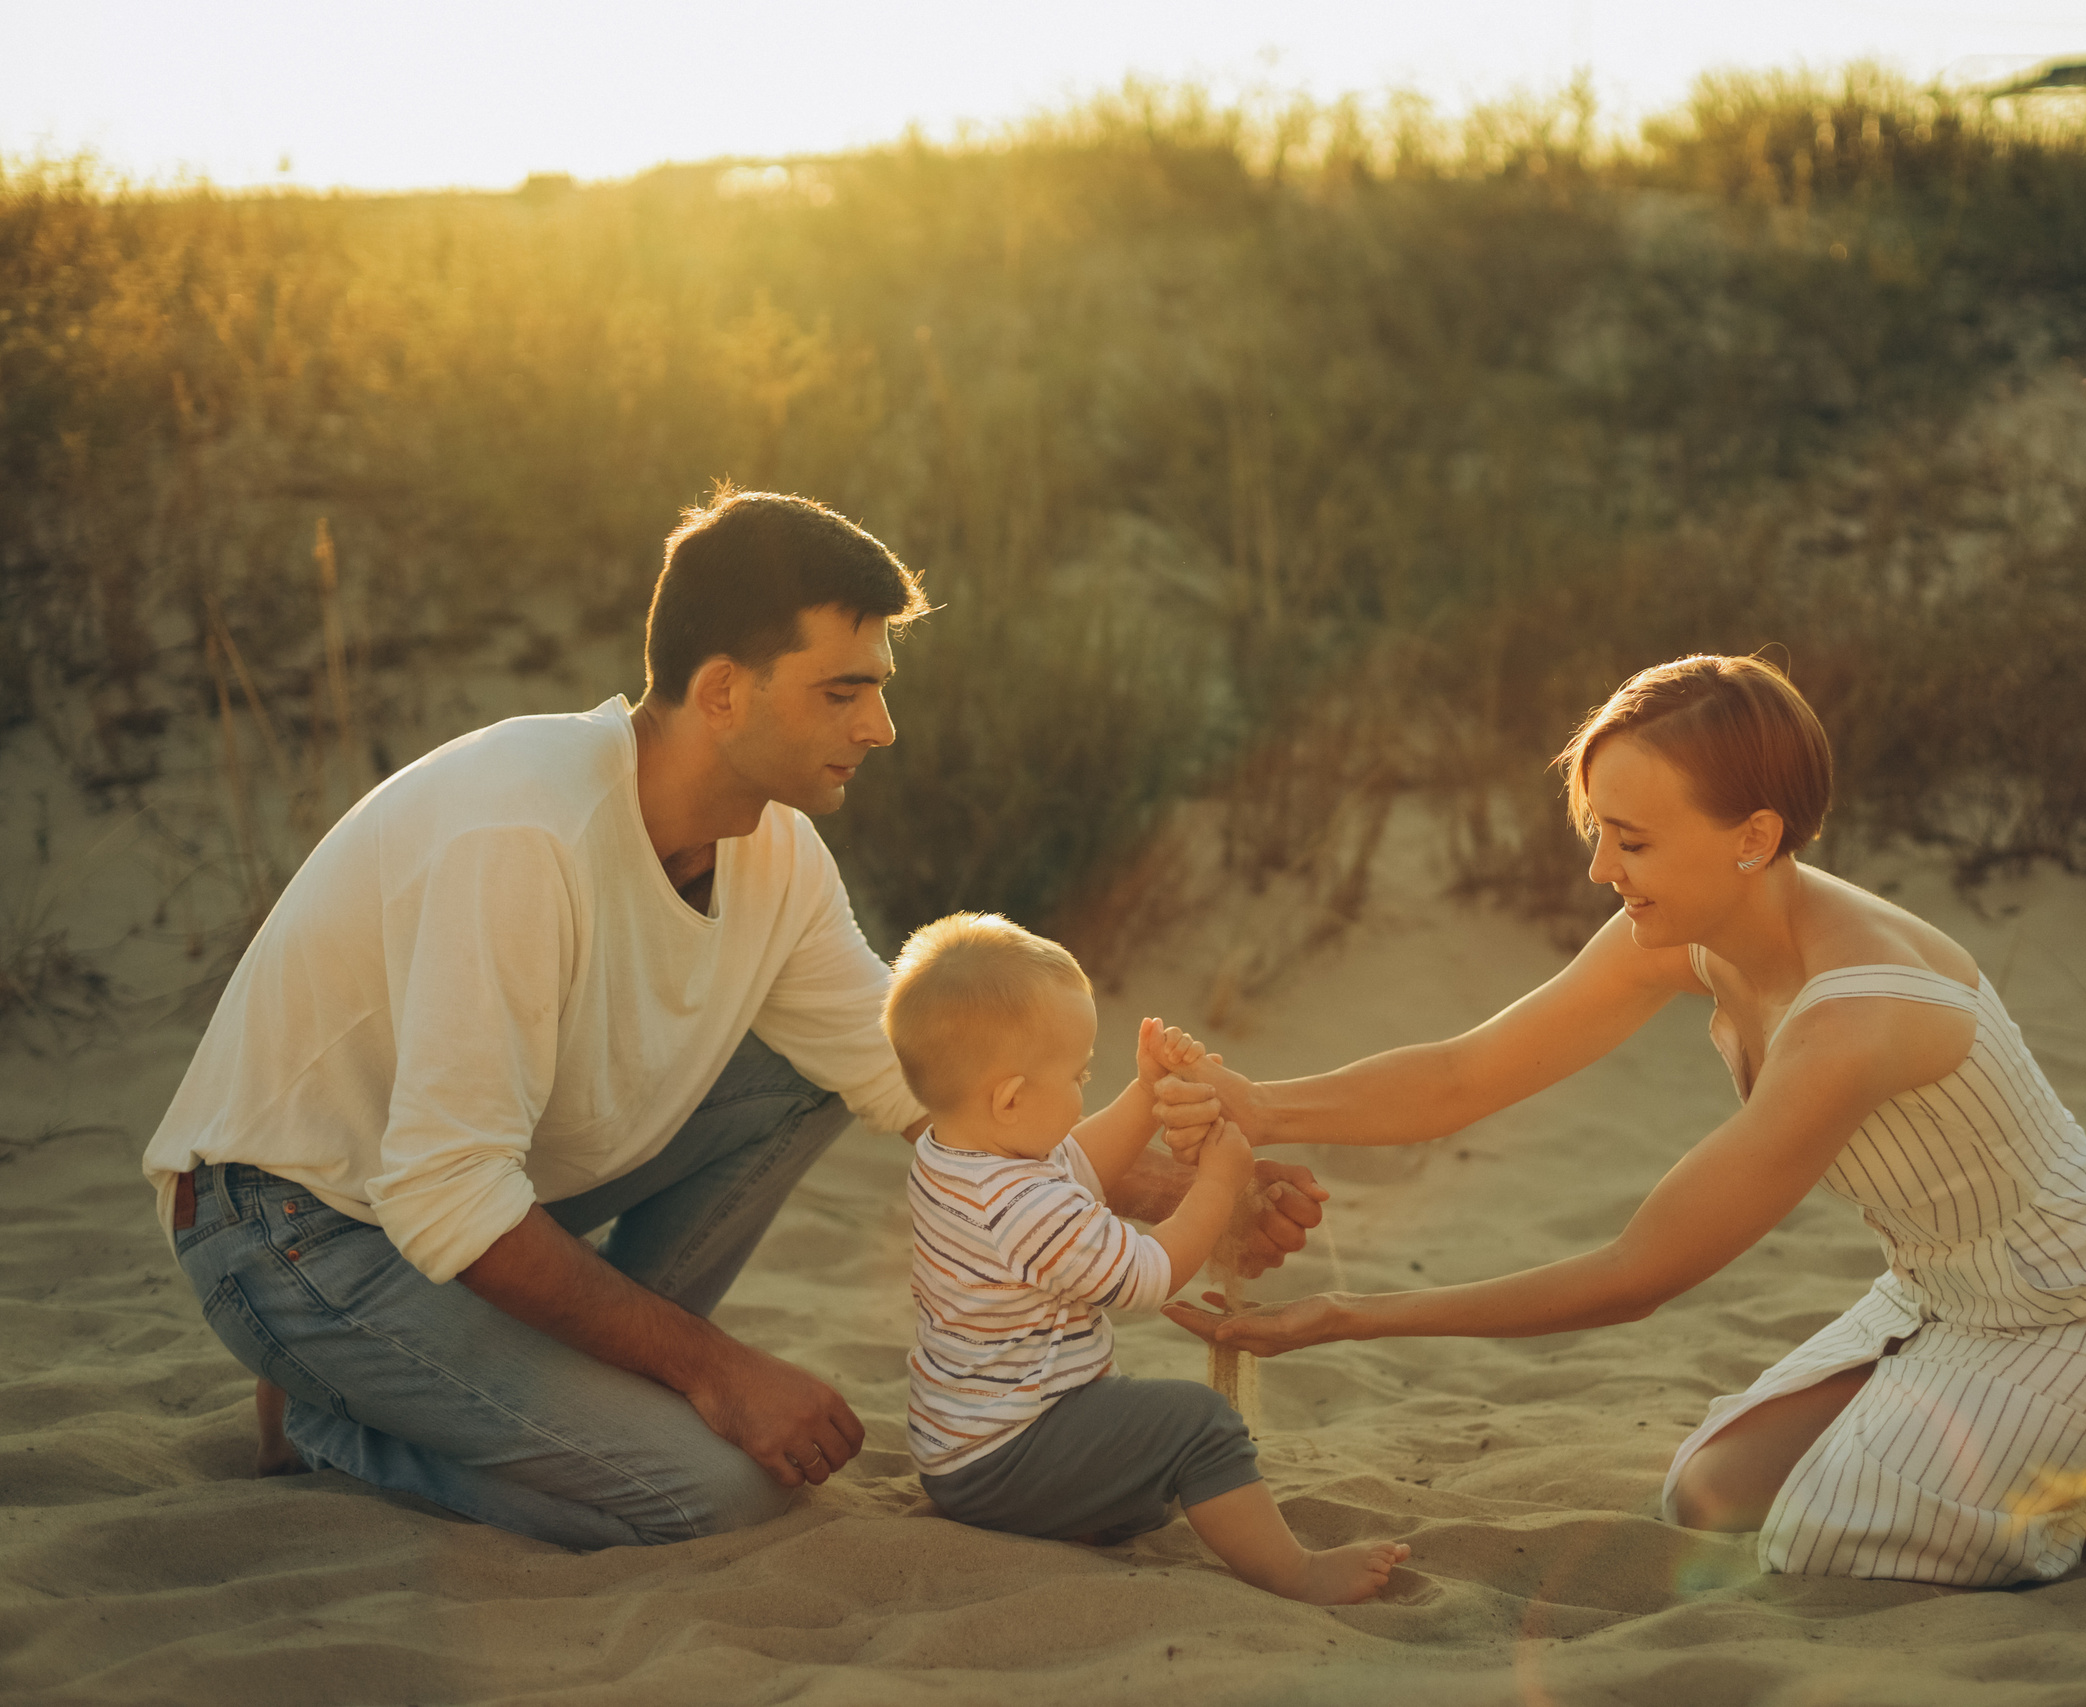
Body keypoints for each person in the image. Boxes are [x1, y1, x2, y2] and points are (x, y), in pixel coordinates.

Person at [142, 487, 1324, 1549]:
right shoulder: (524, 834)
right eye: (842, 692)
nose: (881, 729)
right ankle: (336, 1418)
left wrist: (1166, 1192)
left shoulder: (775, 851)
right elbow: (445, 1193)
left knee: (819, 1064)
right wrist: (719, 1372)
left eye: (878, 692)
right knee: (719, 1493)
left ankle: (567, 1379)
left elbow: (914, 1080)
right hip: (294, 1228)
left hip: (469, 1198)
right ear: (721, 691)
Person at [1165, 654, 2086, 1588]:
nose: (1600, 871)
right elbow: (1463, 1076)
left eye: (1629, 840)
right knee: (1710, 1496)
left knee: (1829, 1539)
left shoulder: (1856, 1014)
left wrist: (1350, 1318)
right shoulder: (1692, 924)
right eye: (1599, 832)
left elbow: (1640, 1272)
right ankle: (2049, 1453)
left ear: (1753, 834)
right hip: (1951, 1296)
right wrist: (1261, 1107)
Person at [886, 913, 1409, 1603]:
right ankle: (1296, 1571)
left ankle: (1079, 1513)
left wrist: (1145, 1094)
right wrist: (1219, 1185)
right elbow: (1146, 1273)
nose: (1082, 1090)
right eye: (1079, 1075)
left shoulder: (960, 1155)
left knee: (1145, 1475)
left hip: (966, 1446)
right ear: (1010, 1099)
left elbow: (1080, 1163)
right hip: (1008, 1453)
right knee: (1198, 1424)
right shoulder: (1021, 1206)